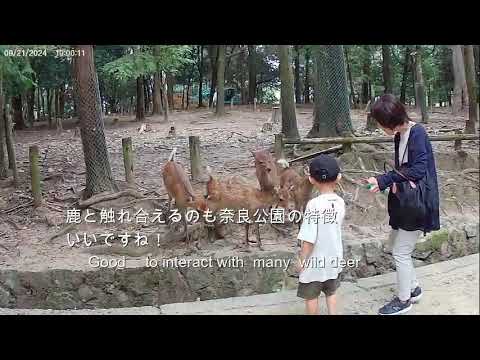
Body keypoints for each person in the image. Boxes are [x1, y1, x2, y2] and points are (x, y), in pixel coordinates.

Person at [366, 94, 440, 315]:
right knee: (395, 244)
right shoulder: (400, 134)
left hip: (419, 203)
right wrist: (386, 182)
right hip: (405, 202)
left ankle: (404, 300)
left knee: (400, 251)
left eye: (380, 123)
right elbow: (403, 171)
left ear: (389, 122)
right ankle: (414, 288)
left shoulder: (417, 133)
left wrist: (384, 180)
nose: (380, 127)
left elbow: (418, 170)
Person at [296, 154, 346, 315]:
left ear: (311, 179)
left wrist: (302, 261)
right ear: (338, 177)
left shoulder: (313, 205)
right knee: (331, 292)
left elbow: (309, 240)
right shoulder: (339, 202)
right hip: (334, 259)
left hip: (315, 264)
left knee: (311, 296)